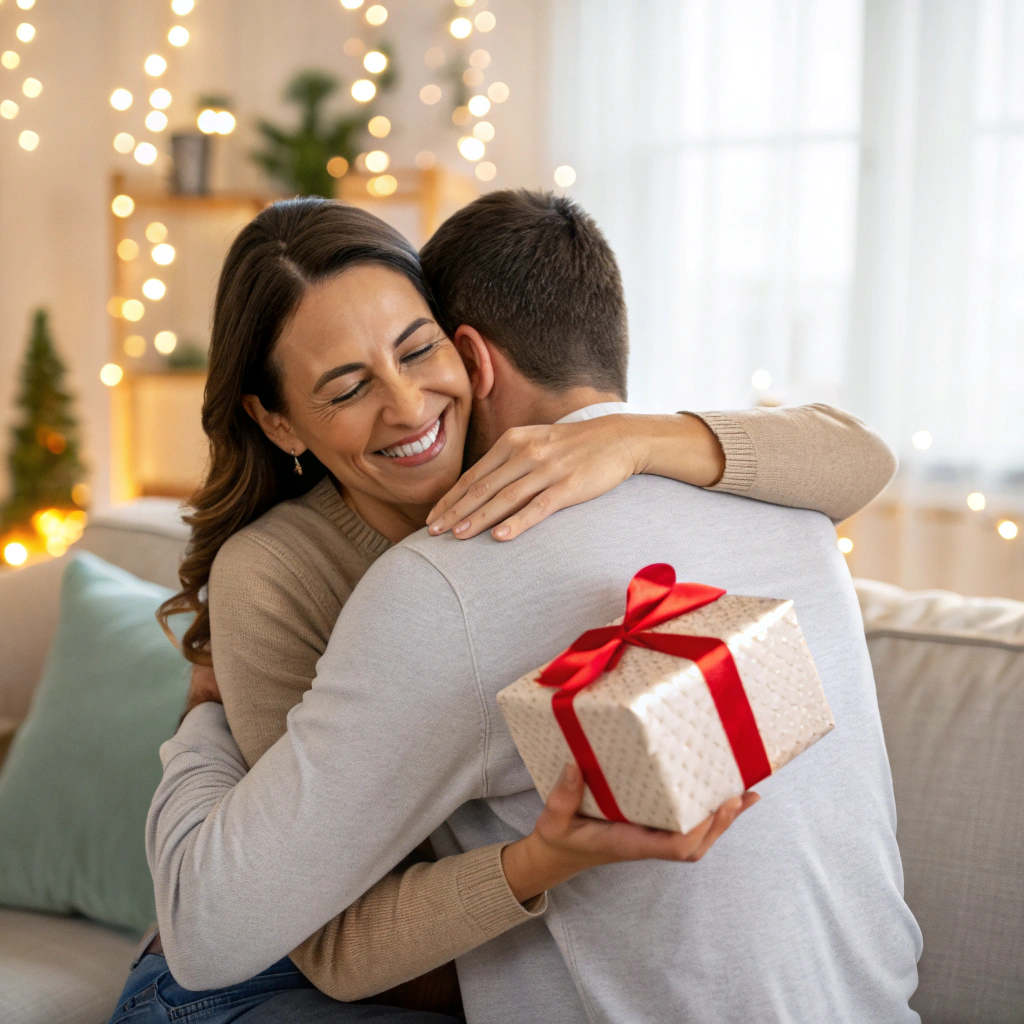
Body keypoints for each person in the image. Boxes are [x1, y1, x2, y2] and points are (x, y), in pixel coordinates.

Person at [144, 193, 918, 1023]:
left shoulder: (702, 490)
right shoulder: (322, 577)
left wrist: (635, 439)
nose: (406, 408)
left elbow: (863, 455)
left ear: (465, 354)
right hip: (289, 961)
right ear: (277, 420)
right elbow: (276, 932)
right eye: (345, 388)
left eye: (416, 350)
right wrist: (206, 715)